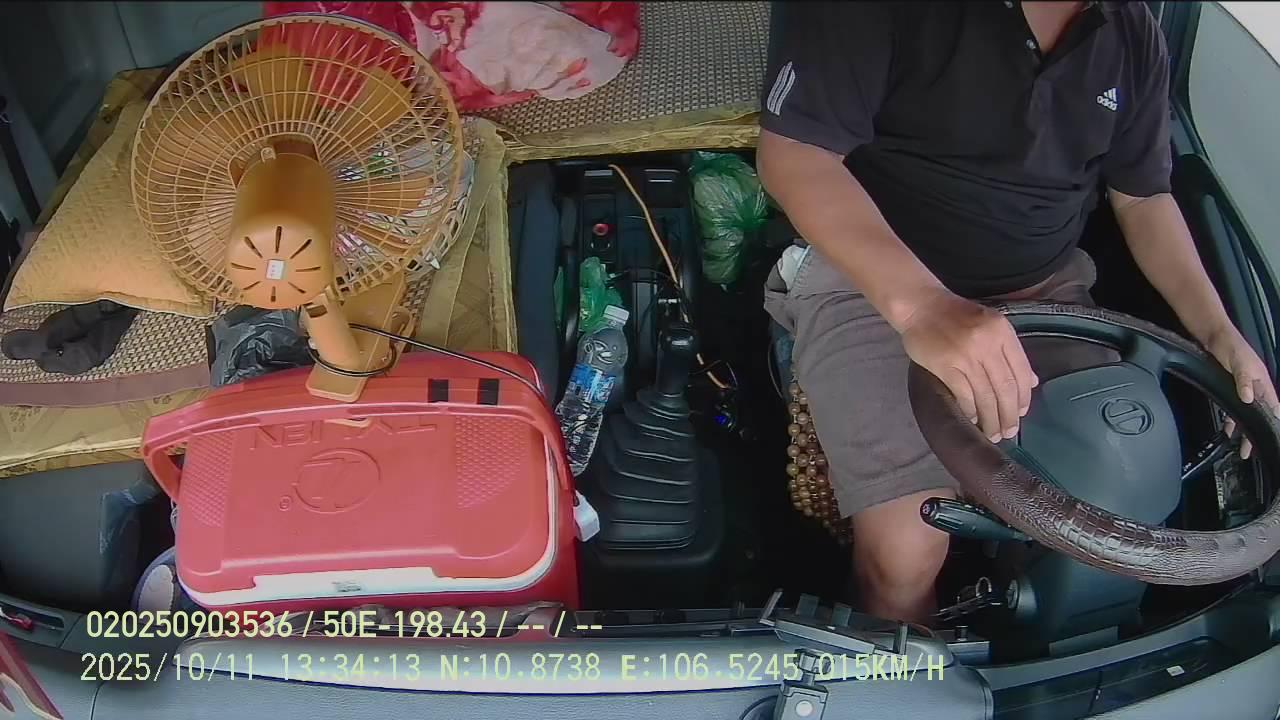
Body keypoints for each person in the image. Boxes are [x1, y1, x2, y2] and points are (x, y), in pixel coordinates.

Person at [757, 1, 1280, 625]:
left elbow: (1142, 198)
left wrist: (1218, 331)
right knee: (902, 553)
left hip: (1045, 289)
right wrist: (923, 307)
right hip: (873, 279)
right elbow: (795, 157)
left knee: (1121, 497)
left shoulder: (1133, 29)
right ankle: (909, 668)